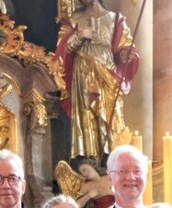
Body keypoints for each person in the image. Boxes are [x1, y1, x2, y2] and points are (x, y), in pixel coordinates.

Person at [56, 0, 140, 159]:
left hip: (107, 74)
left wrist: (125, 55)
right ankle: (90, 157)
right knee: (87, 115)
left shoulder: (116, 19)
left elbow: (125, 47)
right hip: (83, 75)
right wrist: (79, 35)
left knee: (110, 115)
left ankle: (112, 156)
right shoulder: (74, 18)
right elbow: (62, 49)